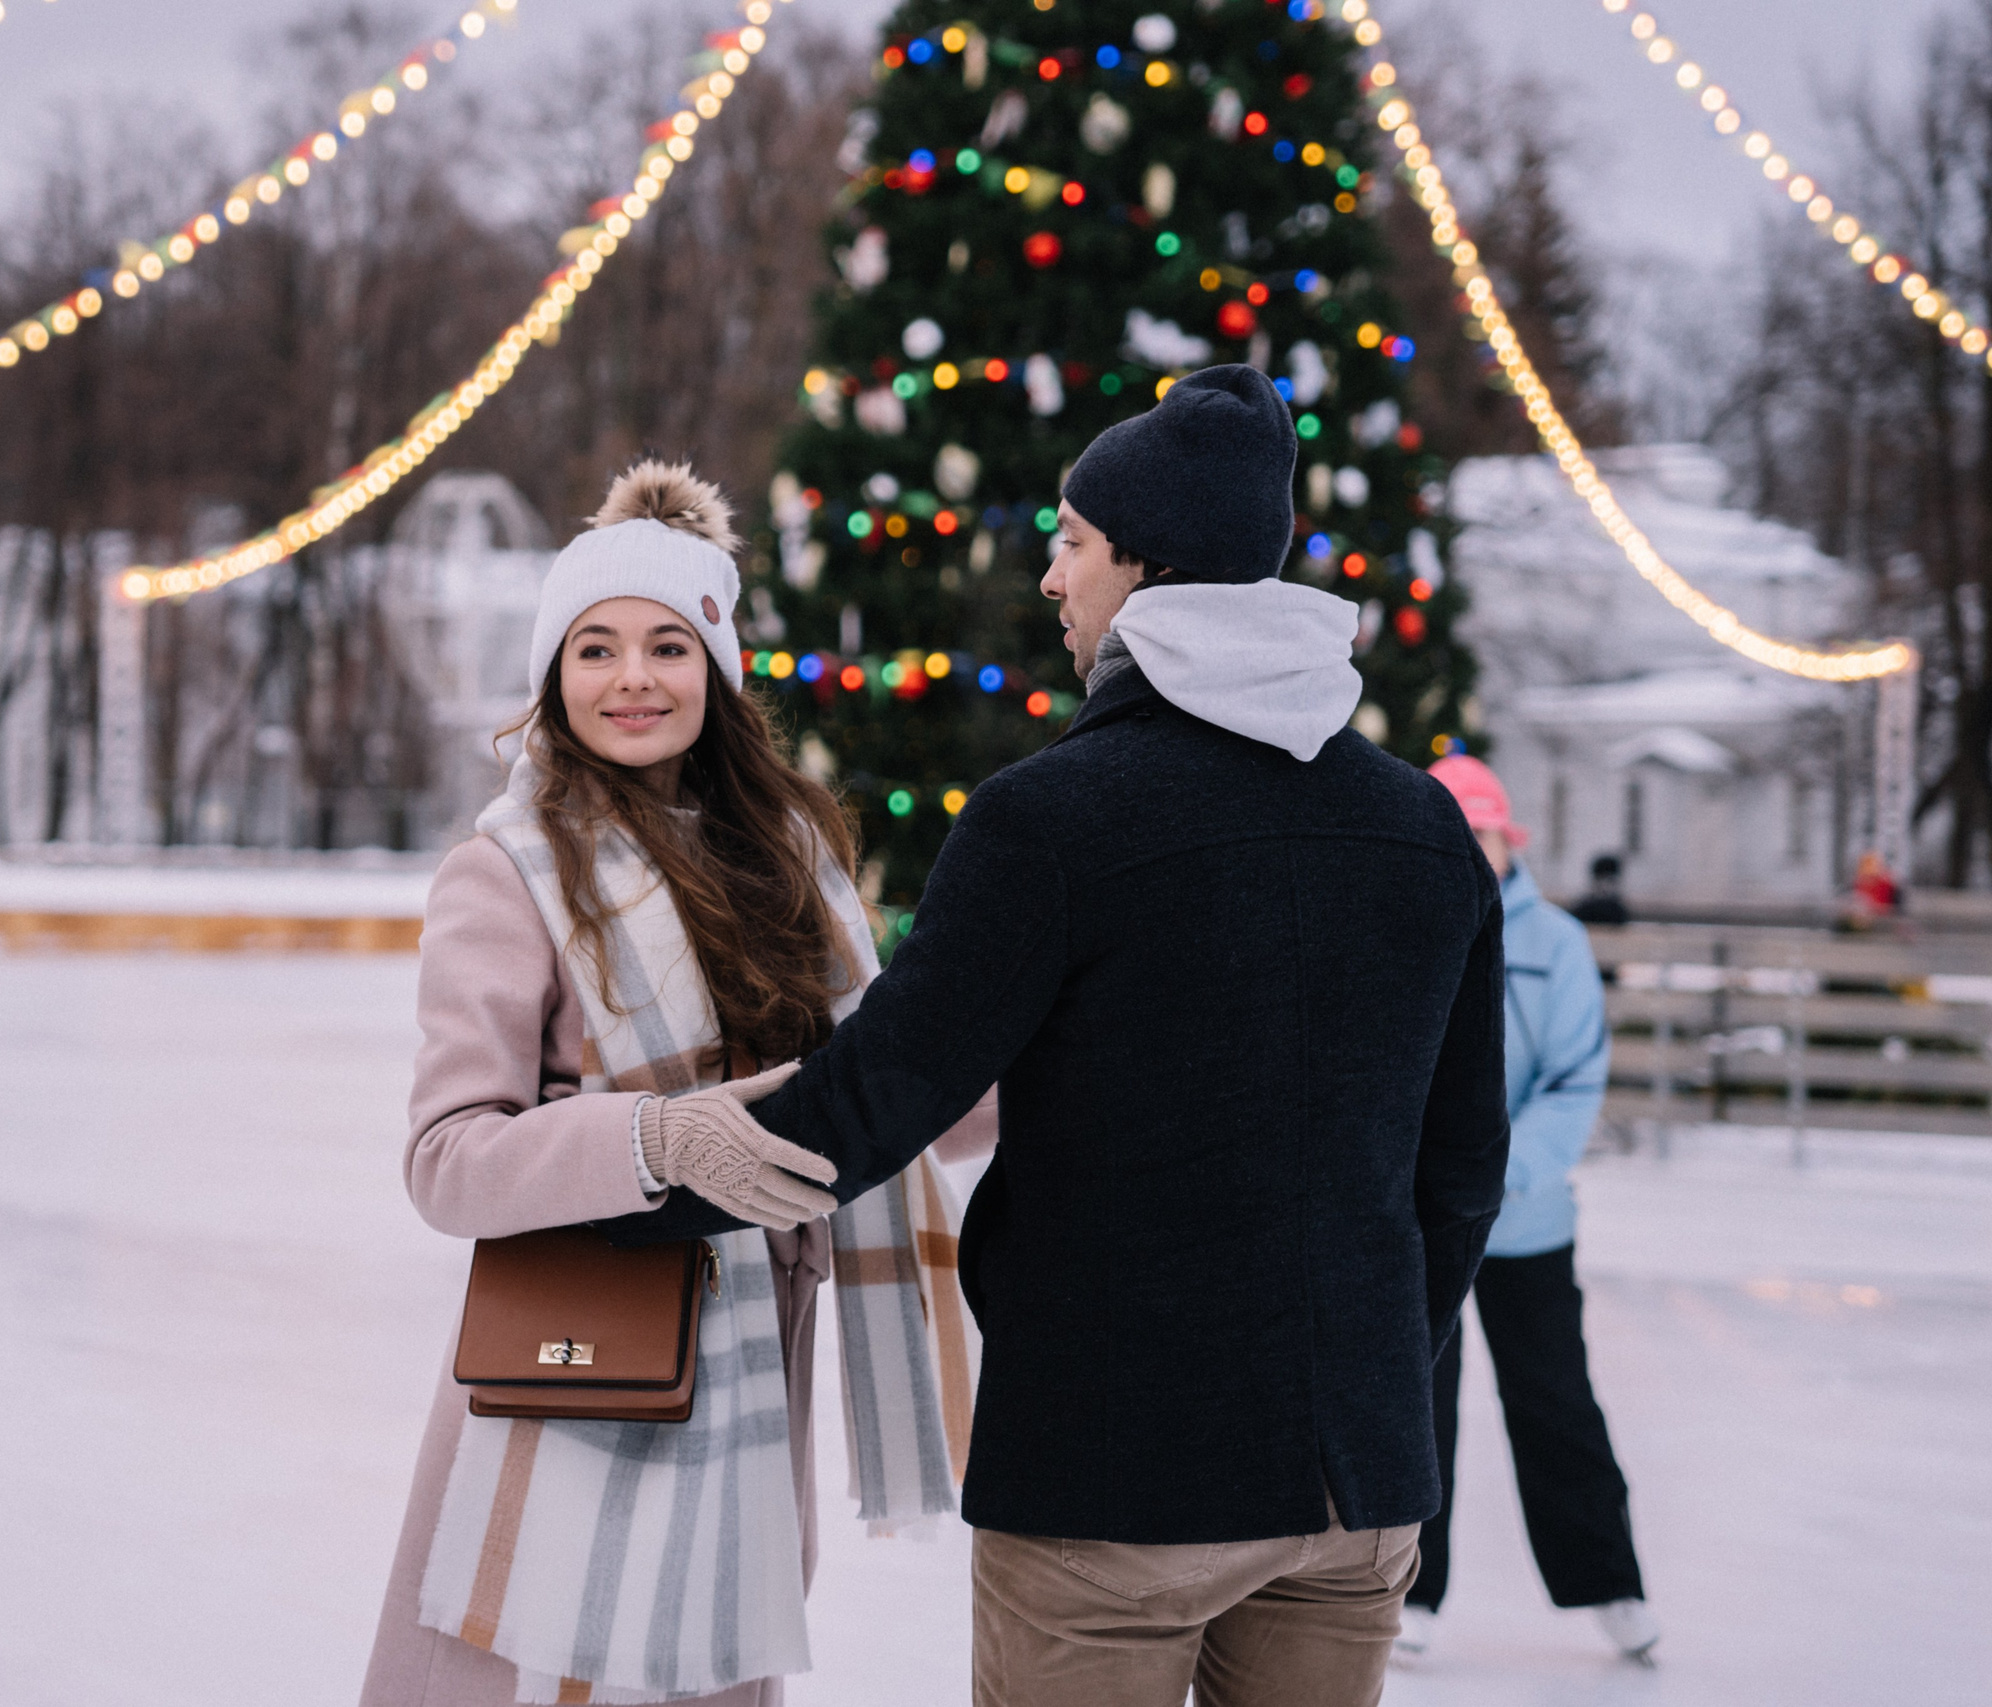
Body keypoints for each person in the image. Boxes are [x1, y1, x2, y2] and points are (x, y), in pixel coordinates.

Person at [603, 366, 1513, 1707]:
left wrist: (624, 1184)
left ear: (1149, 567)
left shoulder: (1055, 822)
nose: (1050, 581)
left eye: (1072, 544)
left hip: (1112, 1478)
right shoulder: (1425, 828)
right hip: (1354, 1483)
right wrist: (1371, 1362)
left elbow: (875, 1098)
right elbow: (1462, 1166)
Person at [360, 461, 994, 1707]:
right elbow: (448, 1159)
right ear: (554, 677)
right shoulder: (509, 872)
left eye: (666, 645)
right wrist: (652, 1140)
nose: (633, 679)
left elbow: (863, 1094)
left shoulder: (790, 862)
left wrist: (1057, 1067)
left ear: (717, 670)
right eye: (593, 650)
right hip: (581, 1368)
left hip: (756, 1360)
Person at [1401, 757, 1657, 1664]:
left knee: (1554, 1399)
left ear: (1510, 839)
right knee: (1417, 1406)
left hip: (1524, 1218)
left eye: (1482, 833)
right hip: (1419, 1222)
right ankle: (1411, 1592)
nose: (1469, 850)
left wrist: (1500, 1172)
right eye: (1451, 831)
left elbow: (1574, 1078)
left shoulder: (1554, 944)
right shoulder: (1396, 926)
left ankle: (1610, 1582)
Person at [1569, 853, 1632, 926]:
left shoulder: (1617, 910)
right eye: (1602, 880)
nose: (1605, 886)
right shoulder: (1584, 908)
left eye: (1610, 880)